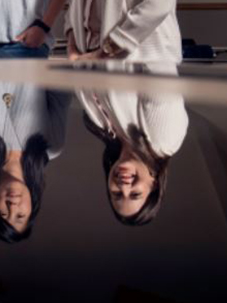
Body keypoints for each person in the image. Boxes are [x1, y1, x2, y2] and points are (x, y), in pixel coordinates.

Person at [76, 60, 188, 225]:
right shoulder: (165, 139)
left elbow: (80, 62)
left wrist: (72, 34)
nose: (124, 187)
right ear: (154, 184)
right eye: (135, 194)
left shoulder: (100, 126)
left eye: (117, 194)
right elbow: (158, 55)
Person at [0, 83, 70, 242]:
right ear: (32, 207)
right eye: (20, 215)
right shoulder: (52, 146)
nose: (13, 206)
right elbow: (60, 86)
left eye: (3, 213)